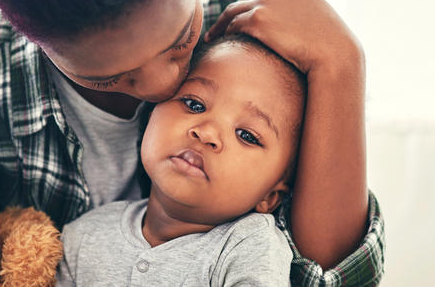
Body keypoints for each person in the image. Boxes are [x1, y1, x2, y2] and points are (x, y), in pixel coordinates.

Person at [0, 0, 384, 285]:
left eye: (182, 40)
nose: (166, 87)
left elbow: (326, 278)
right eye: (111, 77)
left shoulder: (268, 49)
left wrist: (341, 62)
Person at [55, 35, 304, 286]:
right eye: (194, 104)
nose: (206, 133)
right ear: (151, 113)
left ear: (270, 197)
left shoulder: (249, 246)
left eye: (247, 135)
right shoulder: (85, 234)